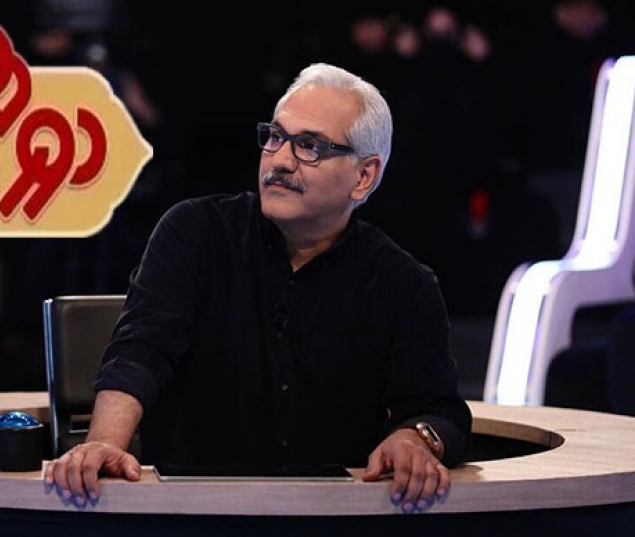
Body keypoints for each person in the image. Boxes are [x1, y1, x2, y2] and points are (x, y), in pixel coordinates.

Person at [44, 63, 472, 514]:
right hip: (190, 514)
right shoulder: (194, 233)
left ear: (364, 176)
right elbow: (138, 354)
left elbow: (439, 411)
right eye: (275, 137)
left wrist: (414, 438)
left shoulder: (403, 283)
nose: (279, 160)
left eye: (309, 146)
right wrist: (105, 443)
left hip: (334, 520)